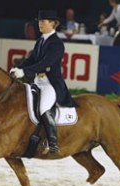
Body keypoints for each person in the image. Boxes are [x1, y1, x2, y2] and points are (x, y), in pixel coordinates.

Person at [10, 10, 77, 154]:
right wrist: (18, 68)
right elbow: (32, 59)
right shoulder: (40, 40)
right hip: (37, 81)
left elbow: (45, 63)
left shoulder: (57, 44)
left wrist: (25, 72)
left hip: (50, 83)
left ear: (53, 24)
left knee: (43, 108)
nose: (40, 24)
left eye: (43, 21)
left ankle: (53, 142)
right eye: (39, 21)